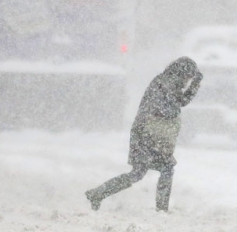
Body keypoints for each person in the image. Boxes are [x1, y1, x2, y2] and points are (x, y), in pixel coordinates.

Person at [85, 57, 203, 212]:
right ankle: (161, 209)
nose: (188, 81)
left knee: (146, 172)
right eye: (188, 77)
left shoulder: (167, 83)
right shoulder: (164, 84)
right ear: (182, 73)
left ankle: (98, 194)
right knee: (154, 170)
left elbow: (180, 102)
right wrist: (193, 87)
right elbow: (171, 107)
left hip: (150, 136)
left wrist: (195, 84)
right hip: (147, 136)